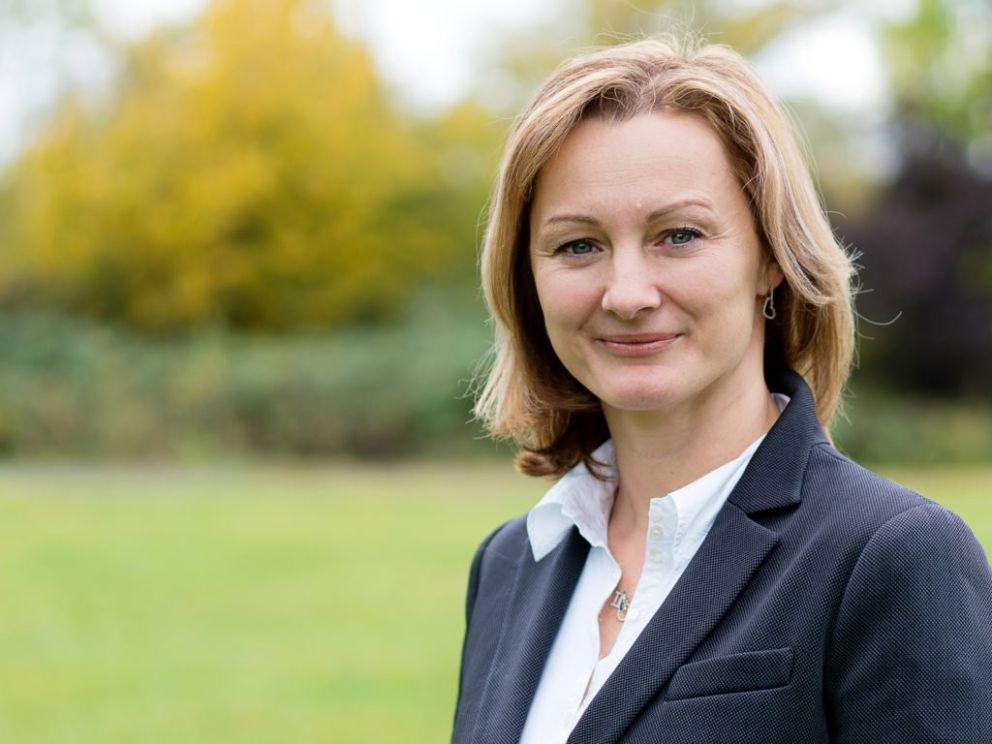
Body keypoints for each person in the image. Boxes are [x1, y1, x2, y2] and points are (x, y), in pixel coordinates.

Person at [451, 37, 992, 744]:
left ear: (771, 256)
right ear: (527, 276)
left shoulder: (891, 555)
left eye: (678, 235)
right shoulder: (512, 563)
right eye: (578, 245)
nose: (628, 293)